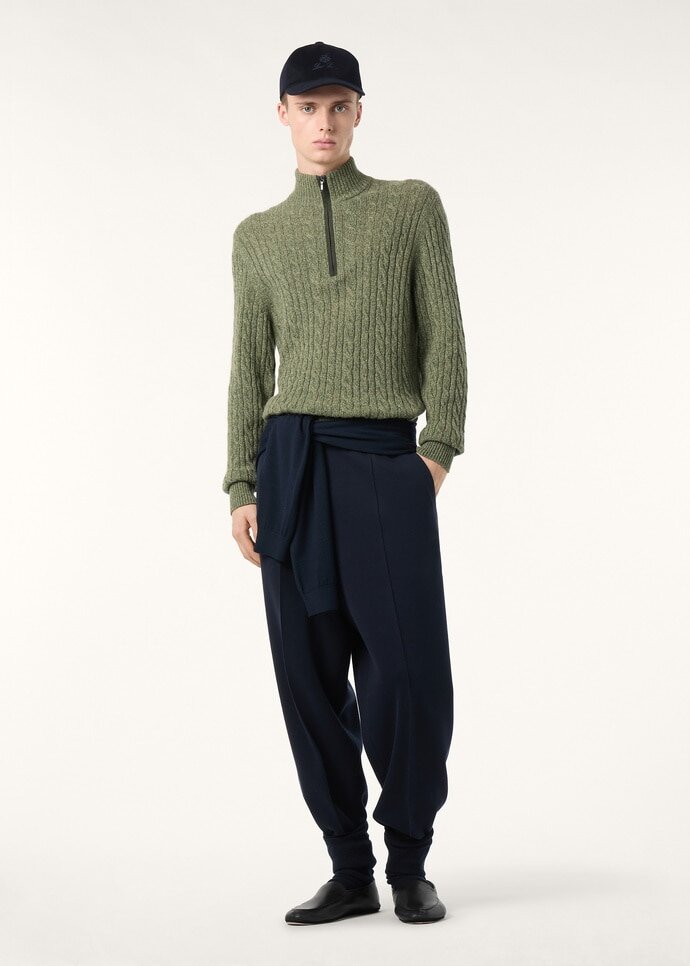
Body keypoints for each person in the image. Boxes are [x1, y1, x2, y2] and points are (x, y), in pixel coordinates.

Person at [222, 40, 468, 925]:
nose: (322, 123)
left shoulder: (410, 208)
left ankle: (411, 862)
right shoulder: (257, 237)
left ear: (358, 111)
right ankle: (349, 868)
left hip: (382, 460)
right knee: (308, 675)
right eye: (307, 107)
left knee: (409, 673)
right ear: (282, 115)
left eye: (338, 106)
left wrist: (436, 450)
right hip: (290, 465)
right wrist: (241, 482)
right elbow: (249, 365)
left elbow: (445, 333)